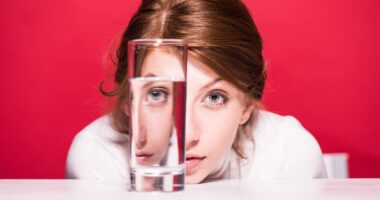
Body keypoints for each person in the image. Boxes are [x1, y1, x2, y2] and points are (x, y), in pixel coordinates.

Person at [65, 0, 327, 183]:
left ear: (247, 106)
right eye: (157, 94)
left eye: (214, 97)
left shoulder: (287, 152)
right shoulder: (97, 157)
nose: (186, 134)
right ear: (128, 100)